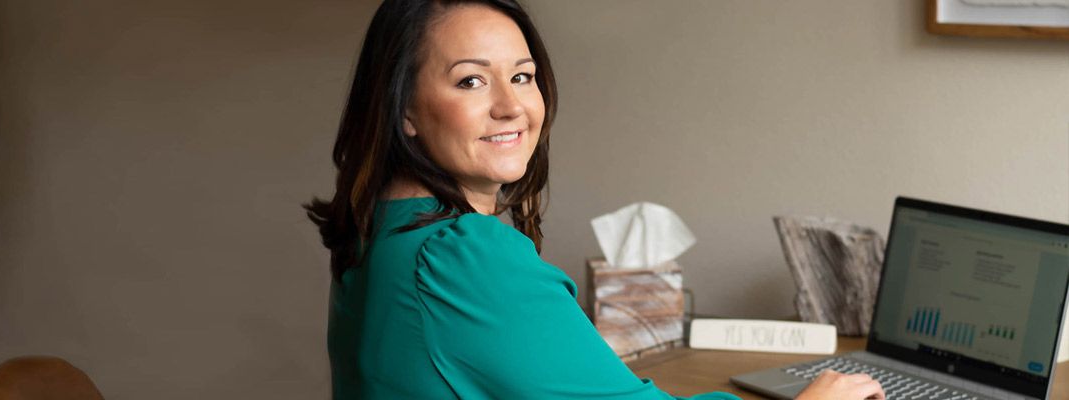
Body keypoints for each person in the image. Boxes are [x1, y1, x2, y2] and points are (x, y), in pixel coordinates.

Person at [305, 1, 887, 399]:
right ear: (404, 108)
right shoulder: (462, 255)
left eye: (523, 76)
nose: (511, 106)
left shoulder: (377, 227)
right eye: (471, 80)